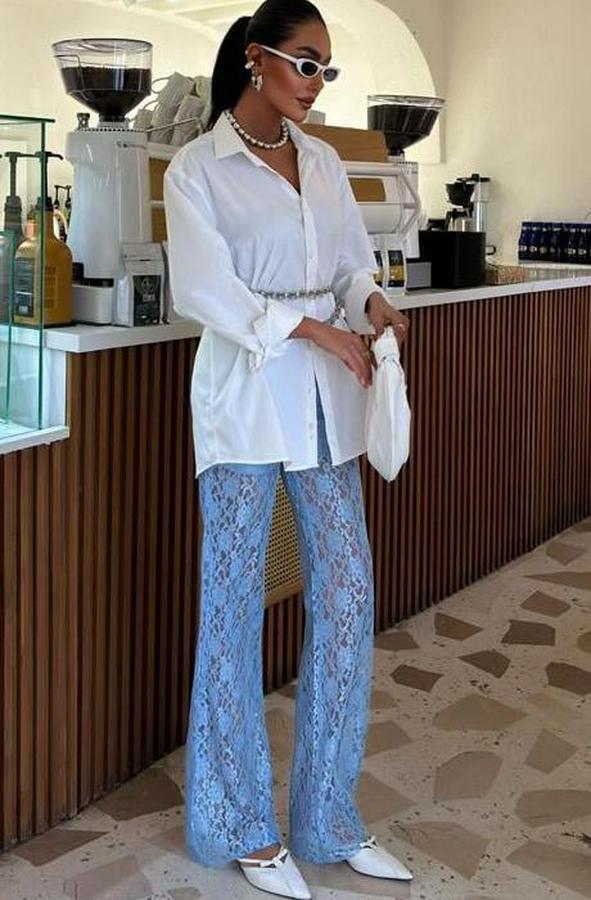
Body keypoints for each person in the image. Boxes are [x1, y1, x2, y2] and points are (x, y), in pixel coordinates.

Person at [164, 1, 411, 897]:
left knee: (347, 598)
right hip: (242, 404)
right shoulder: (197, 169)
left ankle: (327, 819)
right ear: (256, 59)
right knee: (232, 610)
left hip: (323, 409)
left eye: (325, 68)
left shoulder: (324, 162)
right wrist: (313, 329)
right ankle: (239, 824)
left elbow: (347, 263)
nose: (316, 82)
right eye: (306, 62)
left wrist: (369, 303)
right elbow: (204, 291)